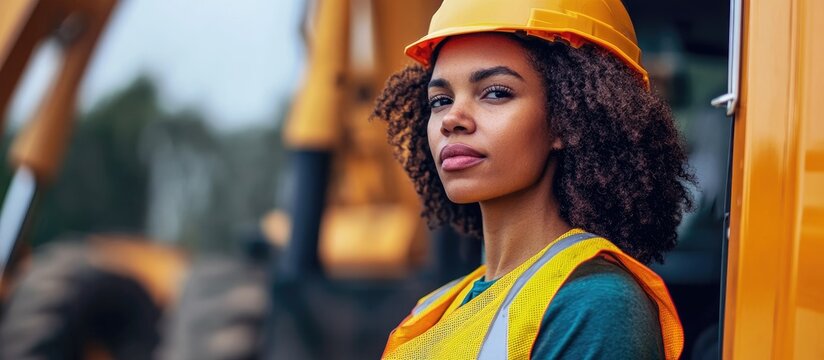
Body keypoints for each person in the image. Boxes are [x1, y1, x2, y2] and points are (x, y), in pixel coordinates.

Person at [373, 0, 694, 359]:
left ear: (567, 118)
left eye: (496, 92)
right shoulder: (435, 310)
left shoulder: (593, 304)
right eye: (440, 100)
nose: (452, 119)